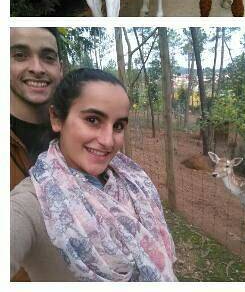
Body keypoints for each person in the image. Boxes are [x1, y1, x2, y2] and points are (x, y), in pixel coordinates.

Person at [11, 68, 177, 282]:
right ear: (56, 118)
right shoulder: (29, 204)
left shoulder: (131, 181)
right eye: (92, 120)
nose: (108, 140)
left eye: (118, 126)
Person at [10, 27, 63, 282]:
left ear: (60, 68)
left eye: (48, 57)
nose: (37, 68)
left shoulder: (80, 139)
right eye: (20, 55)